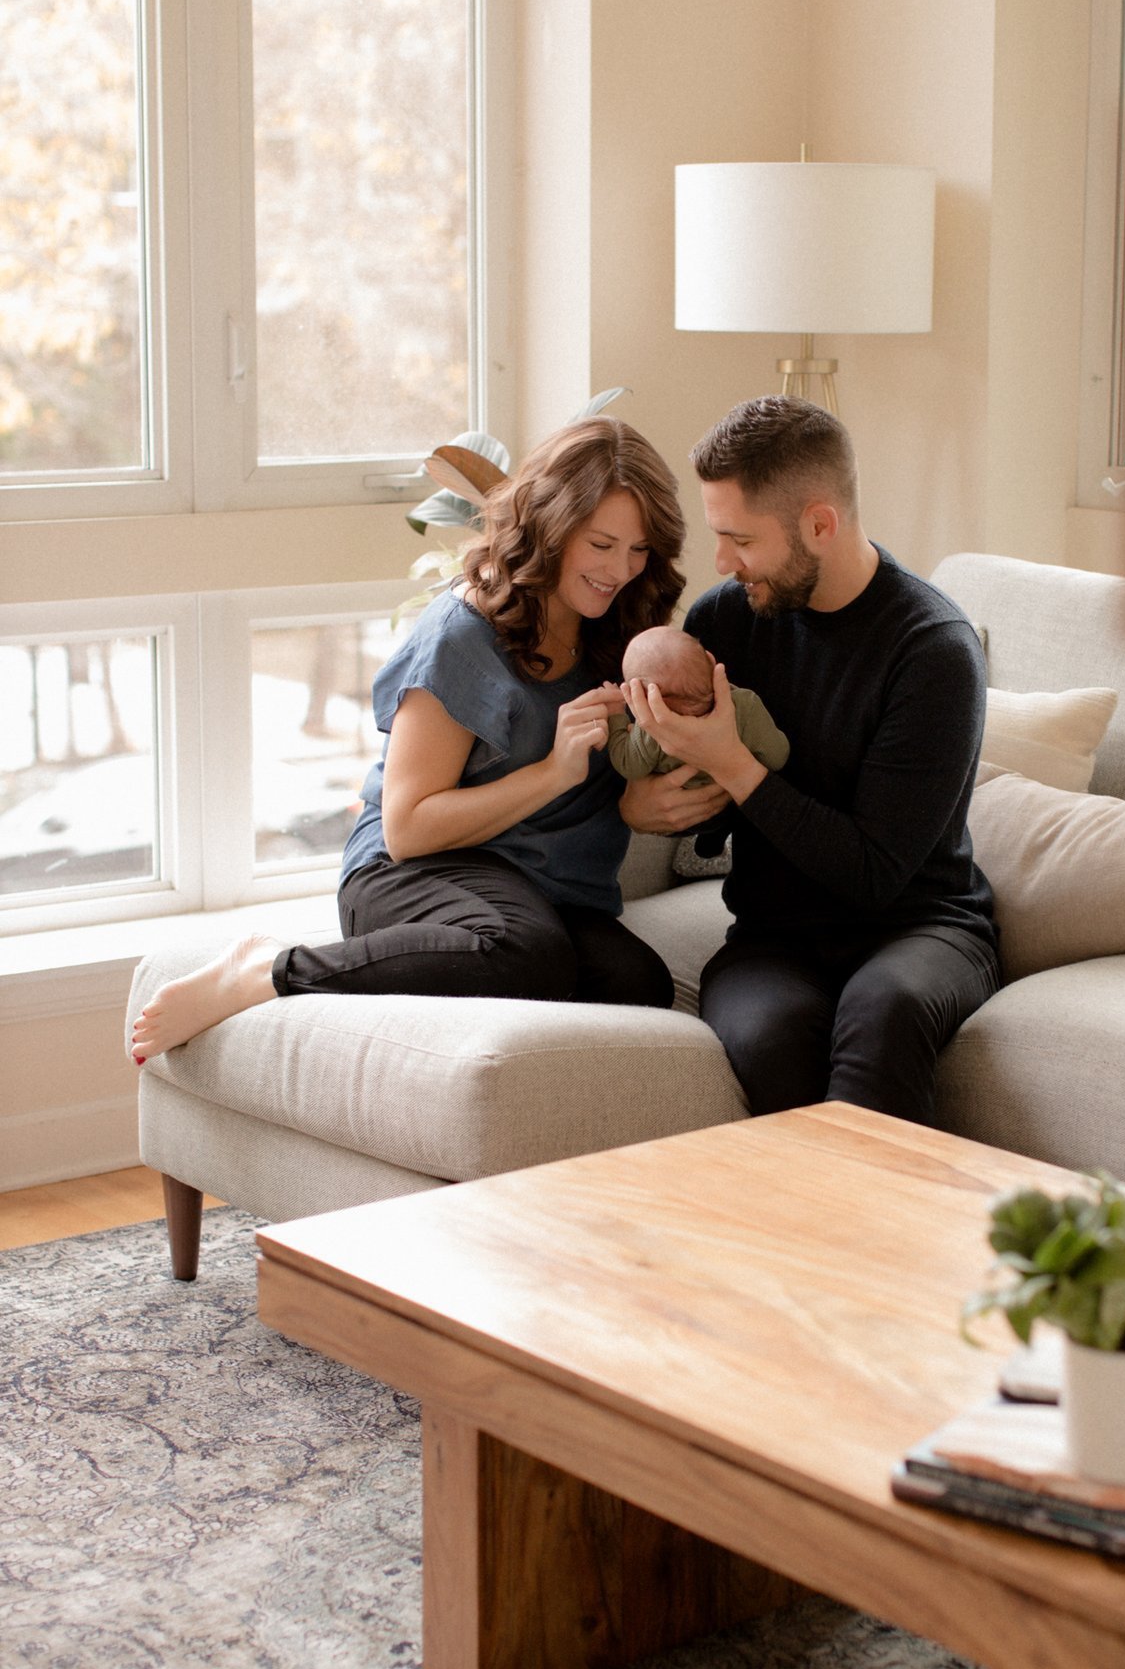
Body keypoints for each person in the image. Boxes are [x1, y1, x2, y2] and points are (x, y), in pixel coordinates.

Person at [130, 418, 728, 1060]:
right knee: (527, 951)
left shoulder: (624, 629)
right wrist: (553, 772)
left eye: (639, 550)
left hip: (547, 892)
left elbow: (621, 778)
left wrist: (641, 803)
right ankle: (267, 972)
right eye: (602, 544)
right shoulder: (462, 636)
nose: (620, 571)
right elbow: (407, 827)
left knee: (637, 984)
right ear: (552, 529)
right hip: (412, 873)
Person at [617, 394, 1000, 1126]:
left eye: (740, 540)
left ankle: (875, 1237)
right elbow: (697, 810)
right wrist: (647, 806)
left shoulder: (933, 651)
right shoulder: (725, 620)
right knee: (770, 1033)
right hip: (772, 938)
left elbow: (874, 873)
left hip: (922, 927)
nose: (723, 562)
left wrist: (735, 764)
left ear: (820, 524)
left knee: (884, 1011)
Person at [606, 625, 789, 785]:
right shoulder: (746, 706)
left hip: (686, 818)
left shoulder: (653, 732)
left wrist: (616, 715)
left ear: (644, 700)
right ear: (710, 659)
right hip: (738, 806)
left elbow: (627, 765)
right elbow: (777, 757)